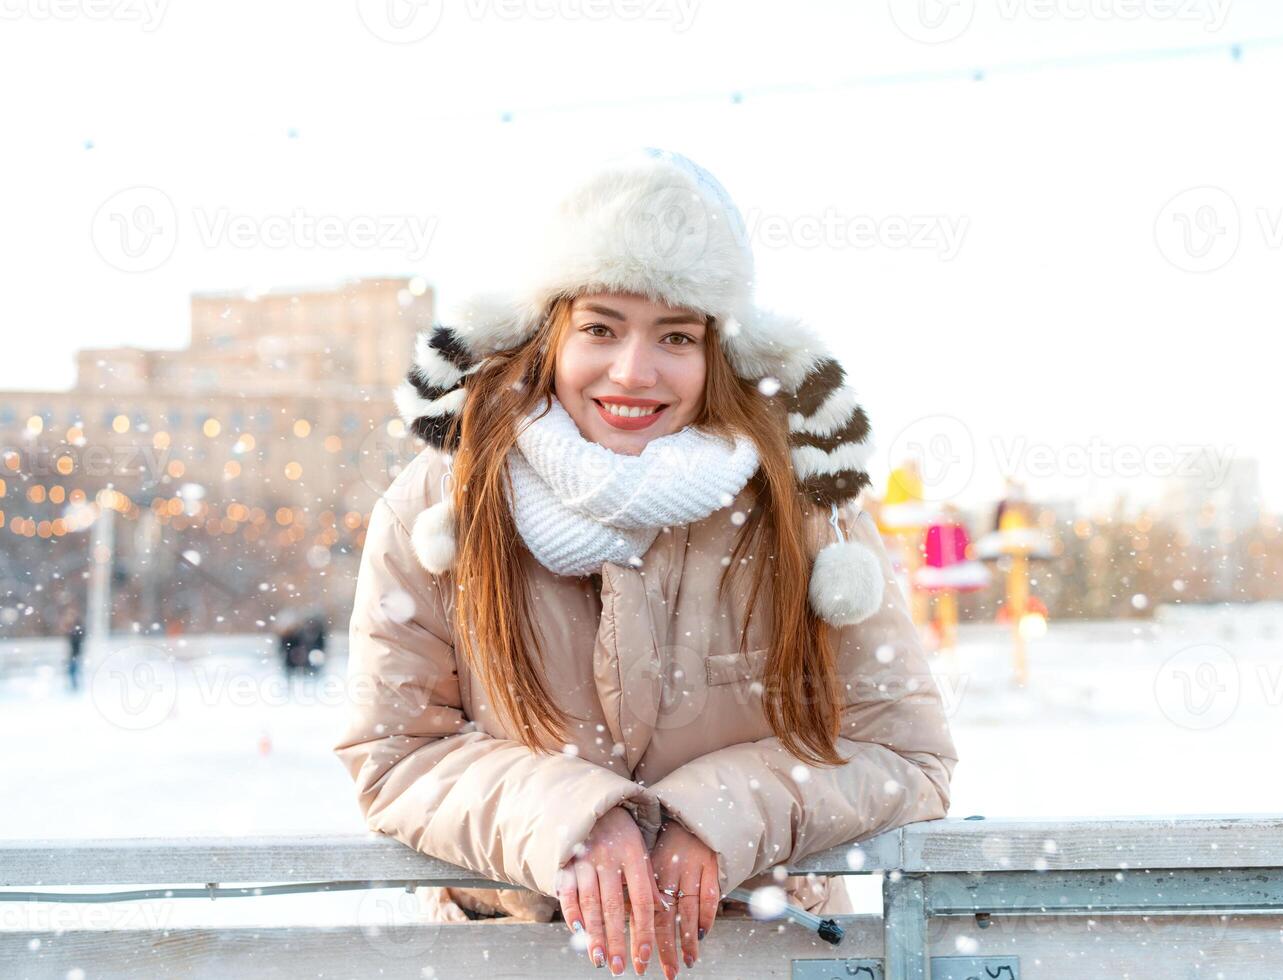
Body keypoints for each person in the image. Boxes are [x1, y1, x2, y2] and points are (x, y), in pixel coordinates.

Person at [332, 149, 958, 979]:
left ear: (720, 352)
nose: (634, 371)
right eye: (600, 327)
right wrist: (574, 819)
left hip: (756, 956)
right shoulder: (443, 506)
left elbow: (906, 758)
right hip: (511, 958)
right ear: (547, 333)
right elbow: (395, 752)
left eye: (675, 336)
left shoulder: (803, 510)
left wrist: (716, 814)